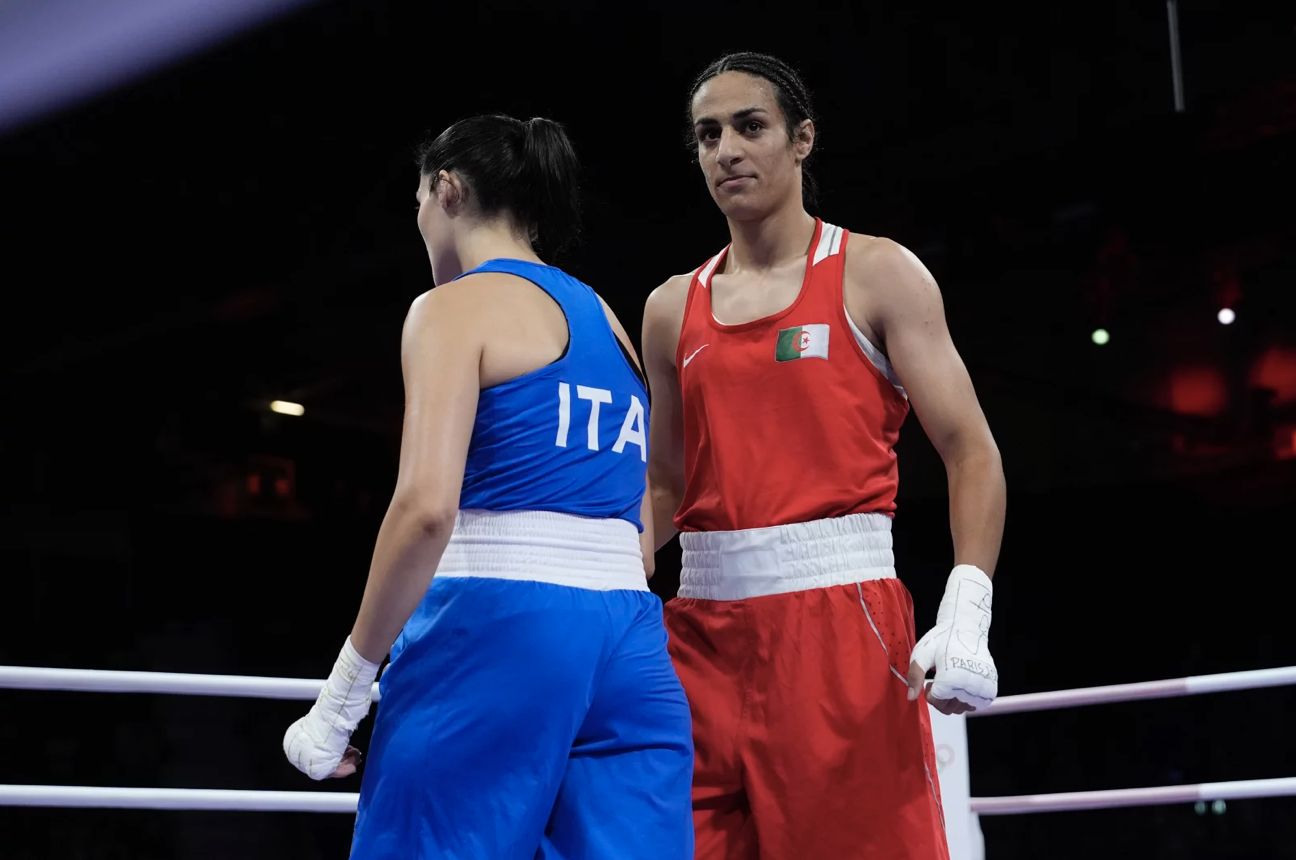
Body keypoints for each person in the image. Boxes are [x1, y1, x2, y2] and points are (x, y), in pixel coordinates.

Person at [283, 113, 694, 860]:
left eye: (416, 201)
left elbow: (425, 508)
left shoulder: (451, 308)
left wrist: (342, 697)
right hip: (631, 641)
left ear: (445, 189)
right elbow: (640, 541)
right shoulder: (607, 319)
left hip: (500, 625)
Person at [642, 53, 1007, 860]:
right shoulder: (671, 307)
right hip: (698, 634)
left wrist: (967, 609)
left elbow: (970, 449)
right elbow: (666, 482)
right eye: (708, 134)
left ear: (802, 138)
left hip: (841, 625)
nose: (726, 150)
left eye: (749, 126)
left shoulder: (879, 273)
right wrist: (587, 579)